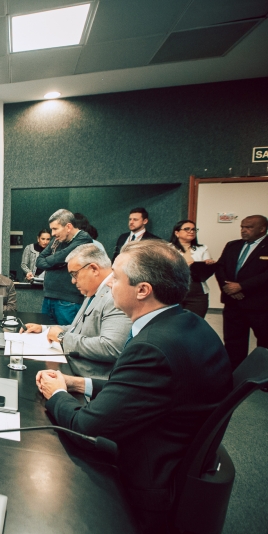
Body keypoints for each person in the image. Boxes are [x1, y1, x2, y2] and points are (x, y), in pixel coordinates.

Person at [36, 240, 231, 528]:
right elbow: (142, 391)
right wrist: (78, 384)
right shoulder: (188, 323)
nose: (108, 283)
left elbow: (86, 428)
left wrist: (57, 394)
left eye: (115, 277)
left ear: (142, 290)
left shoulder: (152, 347)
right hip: (170, 452)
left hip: (144, 479)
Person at [22, 244, 130, 378]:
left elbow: (111, 348)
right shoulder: (94, 291)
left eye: (75, 274)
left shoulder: (114, 296)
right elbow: (77, 329)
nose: (73, 281)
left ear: (94, 269)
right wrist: (44, 329)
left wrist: (62, 337)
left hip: (86, 378)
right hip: (73, 368)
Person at [214, 214, 268, 369]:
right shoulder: (233, 245)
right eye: (242, 227)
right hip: (233, 303)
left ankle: (262, 375)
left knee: (264, 342)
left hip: (259, 305)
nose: (243, 230)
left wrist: (242, 286)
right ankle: (234, 374)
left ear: (262, 229)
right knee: (233, 343)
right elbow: (220, 267)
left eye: (249, 227)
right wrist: (230, 288)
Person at [36, 209, 93, 324]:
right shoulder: (57, 240)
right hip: (48, 297)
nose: (52, 234)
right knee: (45, 332)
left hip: (68, 301)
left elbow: (64, 255)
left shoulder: (83, 239)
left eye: (55, 229)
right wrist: (60, 263)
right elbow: (39, 261)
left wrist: (54, 260)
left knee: (65, 334)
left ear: (68, 227)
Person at [169, 219, 215, 318]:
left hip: (197, 293)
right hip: (174, 291)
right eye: (187, 229)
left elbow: (206, 271)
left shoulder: (203, 248)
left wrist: (208, 264)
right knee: (174, 321)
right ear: (177, 233)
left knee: (195, 321)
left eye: (193, 229)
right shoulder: (167, 249)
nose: (191, 231)